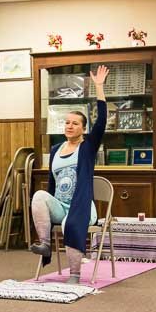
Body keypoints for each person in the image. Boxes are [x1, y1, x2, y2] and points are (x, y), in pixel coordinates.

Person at [30, 65, 109, 283]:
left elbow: (101, 122)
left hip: (81, 207)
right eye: (67, 123)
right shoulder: (56, 150)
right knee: (38, 196)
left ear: (83, 128)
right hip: (60, 206)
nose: (70, 126)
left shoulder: (88, 147)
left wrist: (99, 87)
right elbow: (52, 187)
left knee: (69, 223)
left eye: (75, 123)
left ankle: (74, 274)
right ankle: (45, 244)